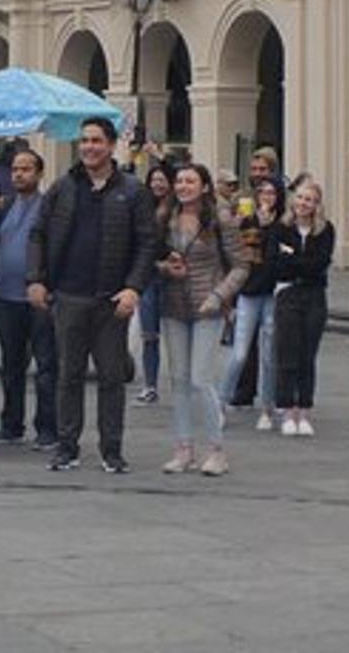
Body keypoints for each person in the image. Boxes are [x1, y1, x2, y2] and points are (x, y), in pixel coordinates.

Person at [25, 116, 157, 476]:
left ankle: (111, 451)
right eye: (84, 140)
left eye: (96, 140)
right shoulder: (63, 187)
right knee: (68, 376)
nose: (89, 147)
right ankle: (67, 448)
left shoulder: (132, 191)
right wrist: (35, 279)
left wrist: (134, 287)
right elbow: (37, 234)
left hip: (112, 301)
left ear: (111, 145)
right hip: (68, 297)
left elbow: (147, 243)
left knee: (112, 379)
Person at [158, 162, 246, 476]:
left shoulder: (220, 219)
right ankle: (183, 449)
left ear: (205, 186)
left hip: (207, 305)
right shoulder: (165, 218)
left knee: (200, 379)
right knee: (178, 380)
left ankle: (216, 449)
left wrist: (219, 296)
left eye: (190, 181)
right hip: (174, 305)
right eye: (179, 181)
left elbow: (240, 266)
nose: (183, 186)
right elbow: (152, 257)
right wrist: (165, 267)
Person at [0, 147, 56, 449]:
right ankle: (12, 424)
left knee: (46, 365)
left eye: (26, 169)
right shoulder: (3, 207)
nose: (19, 174)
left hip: (38, 297)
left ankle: (47, 428)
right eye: (16, 169)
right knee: (11, 365)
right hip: (4, 295)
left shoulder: (49, 207)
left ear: (39, 173)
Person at [269, 176, 334, 437]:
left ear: (317, 204)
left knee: (308, 354)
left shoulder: (325, 230)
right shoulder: (280, 229)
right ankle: (287, 409)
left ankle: (304, 409)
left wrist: (294, 259)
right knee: (288, 353)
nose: (303, 204)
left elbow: (320, 264)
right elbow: (276, 264)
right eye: (300, 198)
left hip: (315, 295)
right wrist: (300, 262)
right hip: (288, 293)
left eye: (309, 200)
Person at [219, 175, 283, 426]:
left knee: (269, 353)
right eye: (263, 193)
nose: (267, 198)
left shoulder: (281, 224)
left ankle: (267, 407)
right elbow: (242, 257)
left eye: (272, 193)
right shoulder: (246, 221)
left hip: (272, 292)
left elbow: (274, 258)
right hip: (248, 292)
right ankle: (221, 403)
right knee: (239, 353)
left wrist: (268, 228)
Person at [135, 161, 172, 405]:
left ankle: (183, 384)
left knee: (178, 334)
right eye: (154, 180)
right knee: (149, 335)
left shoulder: (178, 210)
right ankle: (150, 384)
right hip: (148, 277)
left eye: (162, 179)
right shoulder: (142, 208)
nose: (157, 184)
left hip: (173, 278)